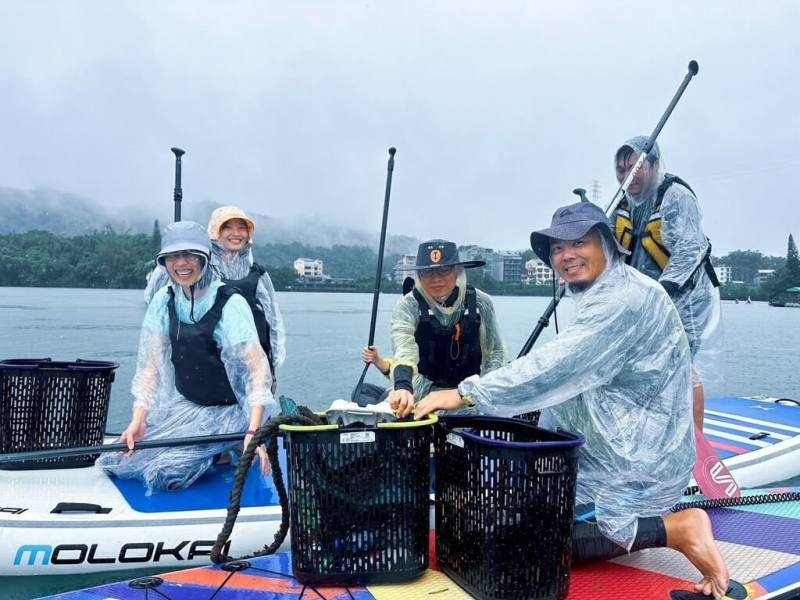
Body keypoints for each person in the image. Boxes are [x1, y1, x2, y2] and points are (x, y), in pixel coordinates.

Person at [414, 203, 729, 599]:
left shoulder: (622, 301)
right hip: (611, 441)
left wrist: (464, 393)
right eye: (557, 249)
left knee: (529, 542)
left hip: (635, 457)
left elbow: (556, 365)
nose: (565, 256)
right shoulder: (611, 289)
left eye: (578, 243)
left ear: (607, 244)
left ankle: (679, 529)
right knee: (512, 517)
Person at [98, 221, 275, 494]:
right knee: (118, 462)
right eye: (173, 256)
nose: (182, 263)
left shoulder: (230, 303)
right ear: (164, 262)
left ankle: (230, 445)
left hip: (231, 412)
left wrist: (254, 432)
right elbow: (150, 368)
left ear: (205, 258)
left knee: (165, 476)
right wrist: (139, 419)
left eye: (190, 255)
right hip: (190, 406)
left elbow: (257, 370)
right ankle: (215, 449)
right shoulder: (163, 301)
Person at [612, 137, 722, 427]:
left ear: (654, 165)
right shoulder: (622, 202)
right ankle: (652, 430)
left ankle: (696, 438)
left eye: (635, 167)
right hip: (643, 301)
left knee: (683, 366)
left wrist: (663, 291)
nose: (628, 176)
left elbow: (689, 249)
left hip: (684, 299)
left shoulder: (676, 196)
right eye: (622, 170)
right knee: (643, 367)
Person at [383, 239, 506, 414]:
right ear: (419, 275)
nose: (436, 279)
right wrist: (403, 386)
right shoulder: (408, 305)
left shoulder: (480, 303)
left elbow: (495, 353)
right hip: (422, 393)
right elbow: (403, 350)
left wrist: (481, 392)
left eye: (444, 270)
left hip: (469, 393)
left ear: (457, 271)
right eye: (427, 272)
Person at [206, 206, 286, 386]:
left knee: (257, 412)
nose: (236, 233)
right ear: (215, 231)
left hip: (257, 366)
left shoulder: (258, 275)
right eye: (227, 227)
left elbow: (273, 321)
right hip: (213, 366)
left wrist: (273, 366)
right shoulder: (203, 272)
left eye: (241, 227)